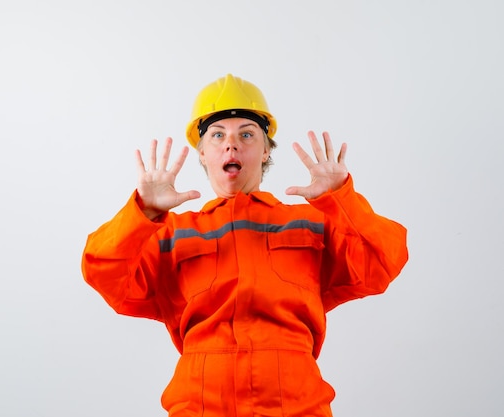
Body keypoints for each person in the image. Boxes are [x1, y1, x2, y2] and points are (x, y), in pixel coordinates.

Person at [81, 73, 408, 417]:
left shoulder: (314, 223)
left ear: (266, 151)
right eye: (217, 135)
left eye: (247, 135)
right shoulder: (170, 234)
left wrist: (341, 198)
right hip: (199, 405)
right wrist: (142, 213)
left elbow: (383, 260)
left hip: (297, 405)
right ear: (203, 154)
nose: (230, 144)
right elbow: (102, 271)